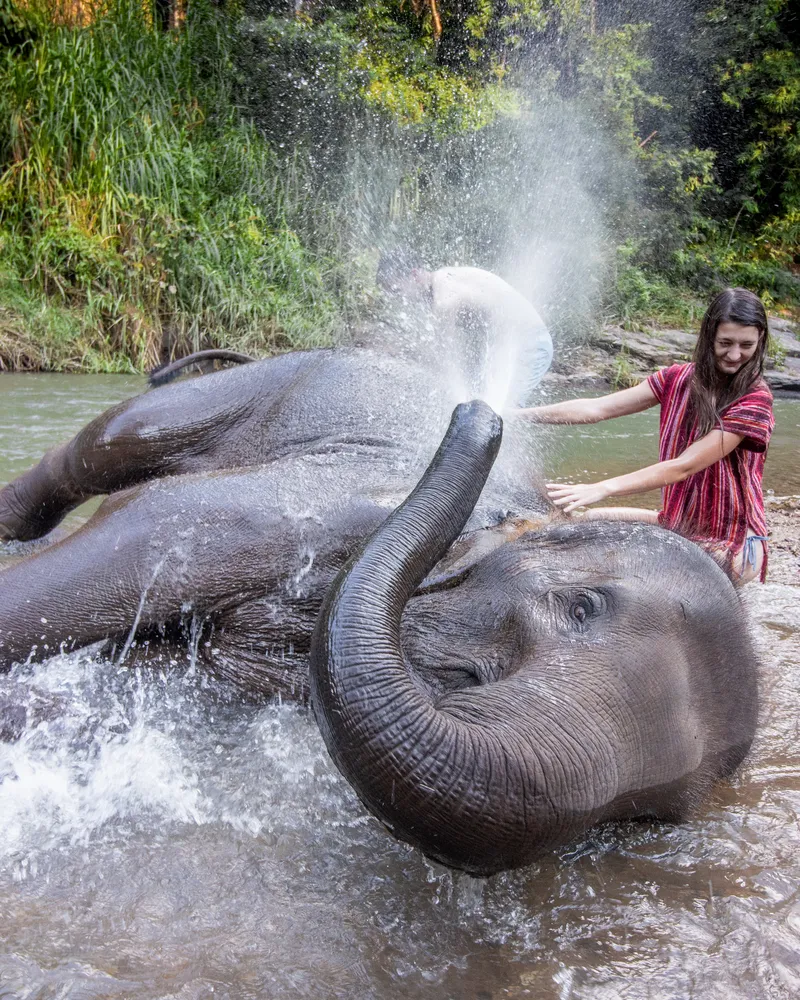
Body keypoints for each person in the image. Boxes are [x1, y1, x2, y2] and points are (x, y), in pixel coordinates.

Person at [517, 287, 775, 583]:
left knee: (639, 585)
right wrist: (518, 416)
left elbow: (684, 466)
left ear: (760, 341)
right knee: (565, 526)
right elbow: (596, 407)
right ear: (708, 338)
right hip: (677, 523)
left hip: (732, 543)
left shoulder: (755, 398)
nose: (734, 355)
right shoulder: (675, 379)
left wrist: (602, 487)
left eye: (746, 345)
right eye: (725, 343)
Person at [377, 250, 553, 406]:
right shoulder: (446, 279)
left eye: (397, 291)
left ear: (414, 275)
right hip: (507, 346)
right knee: (487, 410)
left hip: (529, 344)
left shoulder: (444, 293)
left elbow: (446, 354)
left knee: (505, 412)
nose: (399, 300)